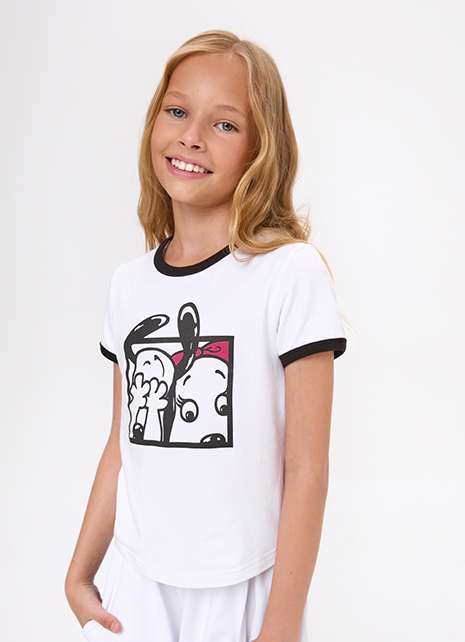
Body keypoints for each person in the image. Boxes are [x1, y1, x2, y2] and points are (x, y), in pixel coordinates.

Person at [65, 30, 346, 642]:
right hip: (136, 588)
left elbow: (307, 470)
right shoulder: (129, 284)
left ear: (260, 149)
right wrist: (78, 576)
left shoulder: (290, 273)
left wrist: (279, 626)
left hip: (243, 590)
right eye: (177, 111)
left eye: (224, 124)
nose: (191, 136)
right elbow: (122, 445)